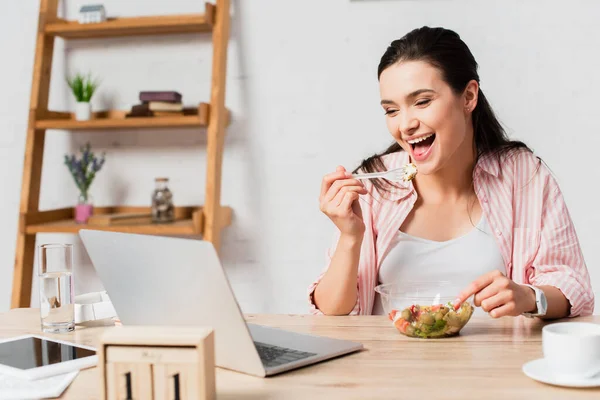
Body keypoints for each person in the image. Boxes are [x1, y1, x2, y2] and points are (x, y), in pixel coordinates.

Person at [308, 26, 594, 319]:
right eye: (392, 110)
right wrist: (350, 236)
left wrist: (530, 297)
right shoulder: (376, 184)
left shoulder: (523, 177)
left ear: (468, 97)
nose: (405, 125)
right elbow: (332, 314)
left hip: (496, 363)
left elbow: (573, 288)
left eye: (422, 102)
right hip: (388, 363)